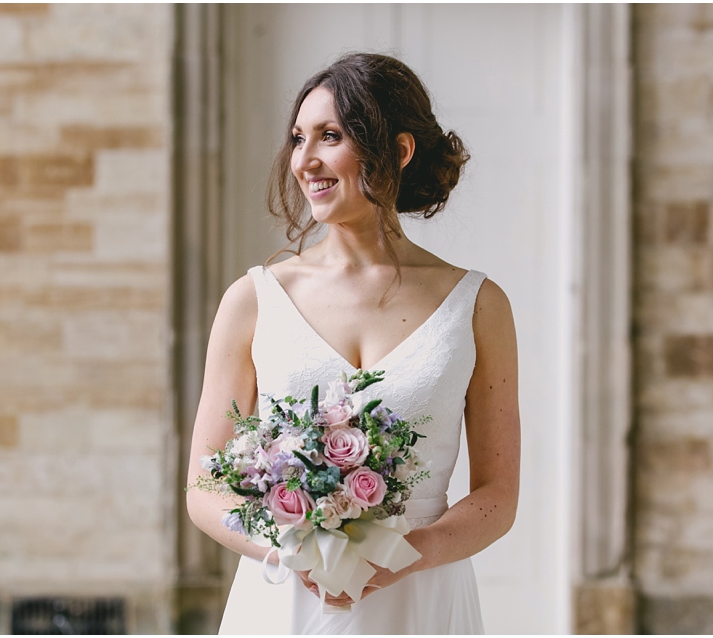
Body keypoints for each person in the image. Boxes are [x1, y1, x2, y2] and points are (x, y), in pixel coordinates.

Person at [186, 52, 520, 635]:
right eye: (298, 139)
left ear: (399, 150)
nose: (305, 161)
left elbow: (498, 494)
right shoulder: (254, 299)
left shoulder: (479, 306)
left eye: (330, 136)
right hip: (286, 601)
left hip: (423, 600)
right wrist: (295, 550)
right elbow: (203, 489)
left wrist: (409, 552)